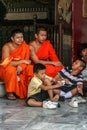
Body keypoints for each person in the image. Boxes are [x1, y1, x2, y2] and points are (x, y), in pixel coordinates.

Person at [0, 29, 33, 100]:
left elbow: (27, 61)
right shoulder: (7, 47)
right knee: (11, 70)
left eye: (21, 37)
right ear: (12, 38)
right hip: (7, 67)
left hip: (20, 66)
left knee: (30, 68)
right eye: (17, 38)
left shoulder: (25, 47)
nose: (20, 39)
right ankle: (10, 92)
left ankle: (30, 91)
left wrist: (21, 66)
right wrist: (21, 61)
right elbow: (6, 63)